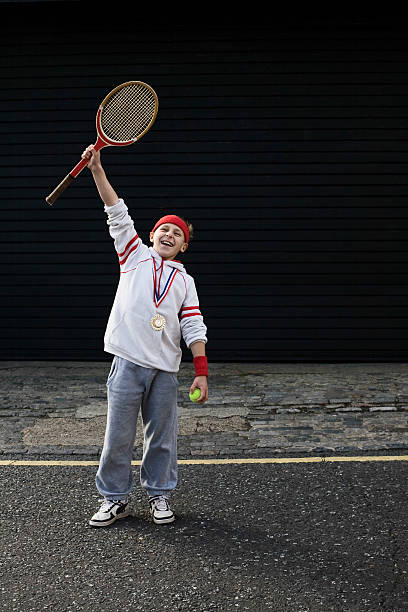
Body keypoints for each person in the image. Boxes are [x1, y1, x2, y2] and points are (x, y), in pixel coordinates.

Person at [82, 145, 209, 527]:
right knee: (118, 437)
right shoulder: (133, 256)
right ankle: (114, 498)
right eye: (164, 229)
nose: (169, 234)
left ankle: (159, 494)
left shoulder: (185, 281)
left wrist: (200, 370)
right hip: (127, 363)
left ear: (184, 245)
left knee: (163, 440)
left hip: (165, 372)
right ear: (151, 235)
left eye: (177, 232)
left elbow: (193, 325)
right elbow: (115, 211)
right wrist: (96, 169)